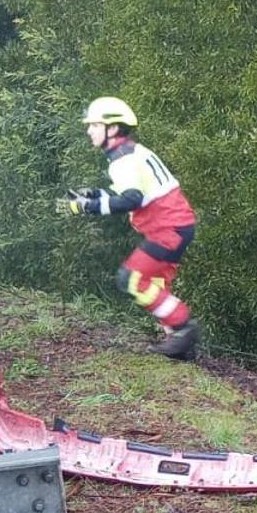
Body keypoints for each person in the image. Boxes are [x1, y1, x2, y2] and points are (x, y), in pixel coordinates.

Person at [59, 97, 199, 360]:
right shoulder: (131, 152)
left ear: (112, 129)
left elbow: (131, 200)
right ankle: (180, 346)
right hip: (175, 226)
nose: (89, 130)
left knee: (131, 279)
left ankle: (184, 329)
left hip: (167, 229)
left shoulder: (123, 160)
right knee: (156, 285)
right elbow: (135, 195)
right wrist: (93, 196)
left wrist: (86, 207)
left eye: (94, 125)